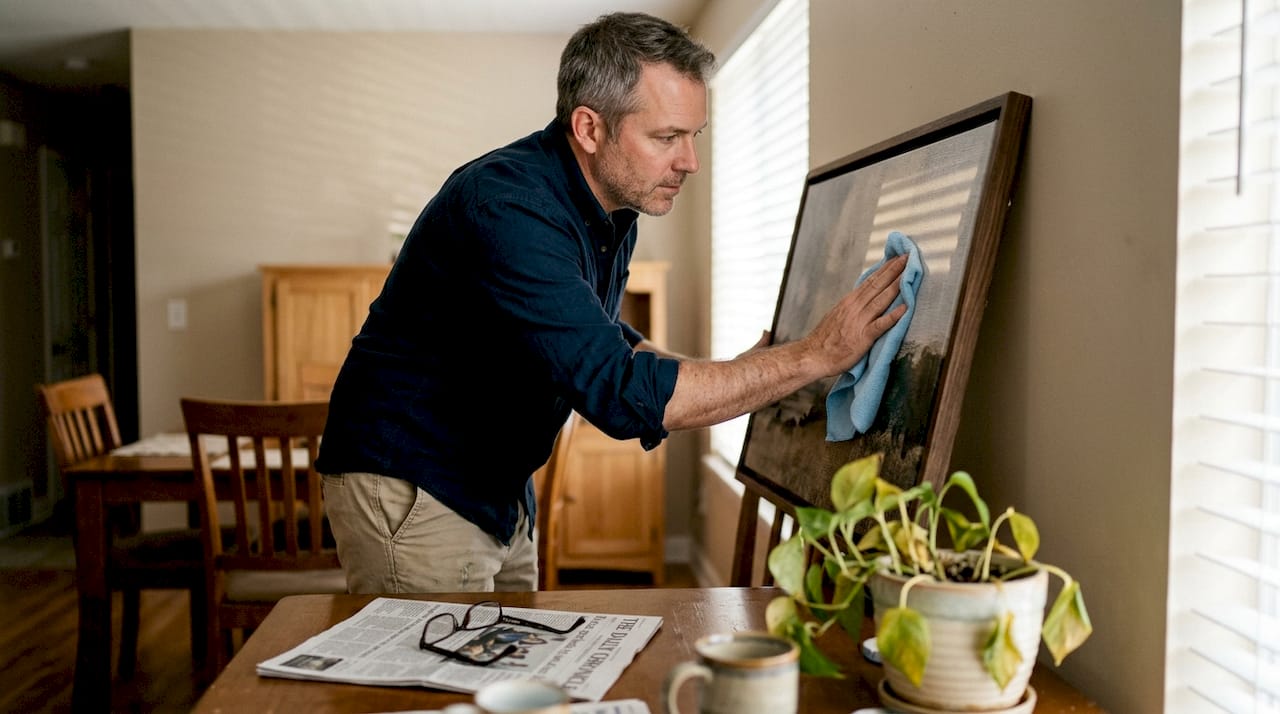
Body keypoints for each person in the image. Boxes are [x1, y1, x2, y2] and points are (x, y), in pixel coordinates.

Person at [315, 11, 908, 594]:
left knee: (508, 677)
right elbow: (618, 390)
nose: (690, 162)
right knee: (441, 688)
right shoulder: (508, 207)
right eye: (666, 137)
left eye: (693, 136)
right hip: (416, 481)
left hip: (495, 484)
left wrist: (749, 375)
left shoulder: (616, 203)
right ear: (590, 128)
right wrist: (811, 357)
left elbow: (602, 337)